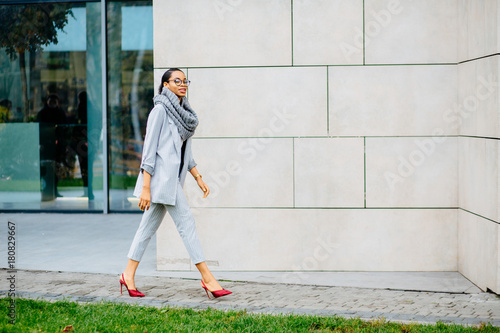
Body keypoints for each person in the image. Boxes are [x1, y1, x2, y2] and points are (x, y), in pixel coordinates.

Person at [120, 68, 232, 299]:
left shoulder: (183, 112)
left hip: (172, 182)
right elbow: (148, 152)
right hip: (161, 182)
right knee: (187, 225)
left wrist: (198, 176)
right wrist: (146, 188)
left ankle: (127, 275)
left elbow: (184, 153)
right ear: (165, 84)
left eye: (185, 81)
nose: (183, 84)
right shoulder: (159, 111)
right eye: (177, 81)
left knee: (146, 229)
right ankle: (208, 278)